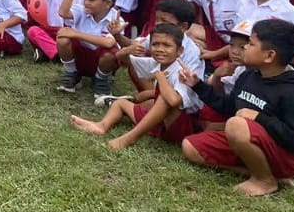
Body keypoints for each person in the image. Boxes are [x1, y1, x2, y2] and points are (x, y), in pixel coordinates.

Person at [180, 18, 294, 196]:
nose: (244, 47)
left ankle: (264, 181)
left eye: (251, 44)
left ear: (270, 56)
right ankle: (263, 173)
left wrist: (260, 118)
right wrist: (197, 85)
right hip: (249, 143)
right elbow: (228, 107)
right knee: (190, 147)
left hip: (287, 157)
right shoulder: (249, 76)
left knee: (236, 124)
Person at [69, 23, 201, 150]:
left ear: (180, 51)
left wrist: (160, 77)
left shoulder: (181, 71)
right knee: (120, 103)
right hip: (161, 122)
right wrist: (127, 50)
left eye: (167, 45)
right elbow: (123, 59)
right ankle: (101, 126)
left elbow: (174, 101)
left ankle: (129, 138)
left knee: (164, 99)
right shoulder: (155, 63)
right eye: (155, 44)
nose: (160, 49)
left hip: (182, 127)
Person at [56, 0, 121, 100]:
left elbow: (108, 43)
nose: (86, 2)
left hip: (99, 61)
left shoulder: (116, 19)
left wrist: (76, 33)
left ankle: (100, 80)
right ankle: (72, 73)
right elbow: (62, 12)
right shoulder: (82, 11)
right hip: (80, 58)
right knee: (63, 38)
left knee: (110, 54)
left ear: (108, 3)